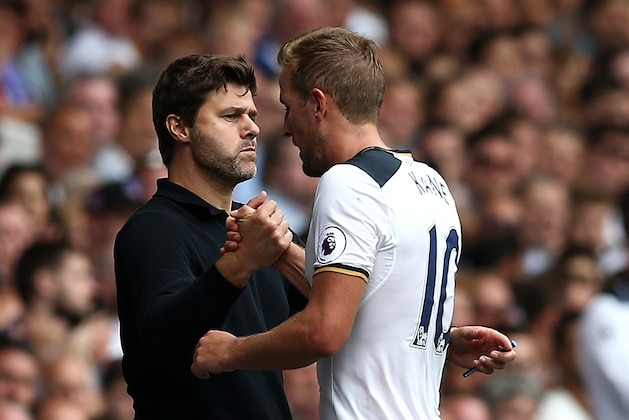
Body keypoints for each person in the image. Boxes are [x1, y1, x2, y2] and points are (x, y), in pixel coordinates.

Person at [191, 27, 517, 419]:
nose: (286, 128)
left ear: (317, 105)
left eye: (289, 106)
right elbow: (378, 296)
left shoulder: (349, 183)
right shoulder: (431, 183)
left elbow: (324, 331)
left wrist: (229, 352)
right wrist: (439, 343)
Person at [114, 53, 310, 419]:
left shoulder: (258, 226)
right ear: (180, 128)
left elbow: (333, 313)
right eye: (231, 116)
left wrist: (445, 335)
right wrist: (241, 264)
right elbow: (163, 341)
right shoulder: (154, 228)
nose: (251, 128)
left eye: (252, 115)